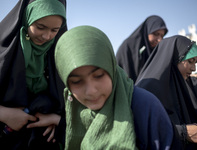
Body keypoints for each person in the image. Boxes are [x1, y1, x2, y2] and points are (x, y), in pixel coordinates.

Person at [54, 25, 174, 149]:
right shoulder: (72, 109)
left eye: (99, 76)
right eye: (77, 82)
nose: (91, 91)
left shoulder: (144, 105)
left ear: (111, 68)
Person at [0, 0, 67, 149]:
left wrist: (58, 121)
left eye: (54, 30)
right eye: (40, 27)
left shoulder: (61, 58)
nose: (46, 36)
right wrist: (4, 114)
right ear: (26, 17)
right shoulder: (3, 50)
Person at [135, 35, 197, 149]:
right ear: (174, 59)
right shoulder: (148, 88)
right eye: (190, 61)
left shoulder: (180, 85)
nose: (194, 68)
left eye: (195, 62)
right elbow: (143, 129)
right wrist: (182, 132)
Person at [116, 15, 168, 82]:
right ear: (147, 31)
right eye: (156, 34)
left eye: (162, 36)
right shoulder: (129, 46)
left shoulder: (157, 51)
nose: (159, 40)